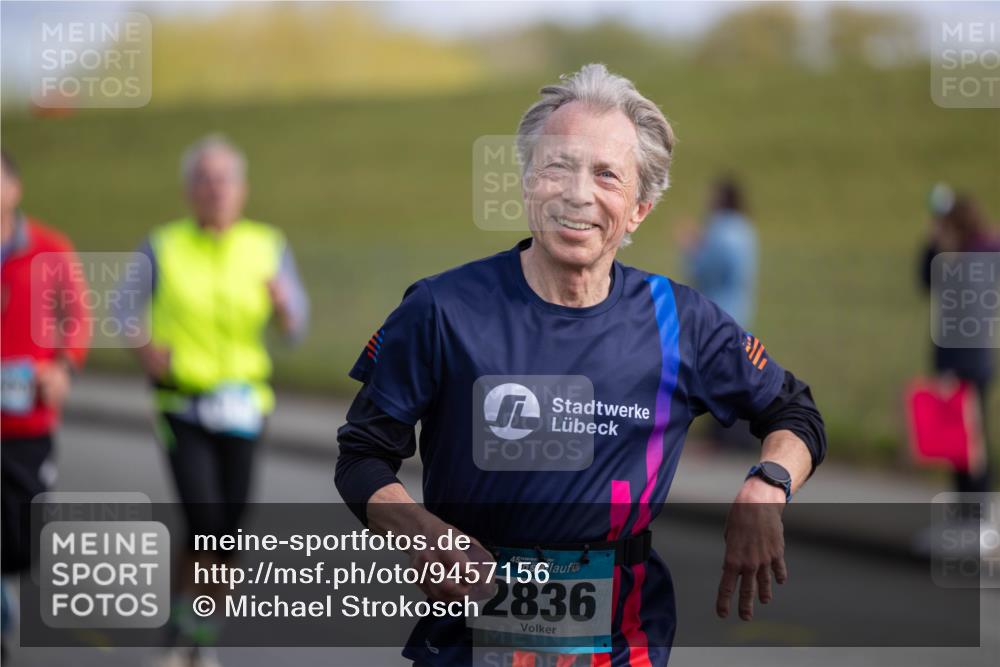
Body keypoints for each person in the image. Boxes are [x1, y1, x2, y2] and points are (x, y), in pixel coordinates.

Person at [336, 64, 826, 666]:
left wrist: (767, 486)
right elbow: (362, 455)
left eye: (606, 175)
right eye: (558, 167)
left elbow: (794, 413)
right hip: (469, 641)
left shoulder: (680, 320)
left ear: (640, 207)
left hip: (622, 644)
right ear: (526, 182)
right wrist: (420, 531)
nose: (578, 194)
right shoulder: (442, 309)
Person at [116, 135, 309, 667]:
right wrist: (143, 346)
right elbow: (123, 310)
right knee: (205, 520)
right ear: (188, 190)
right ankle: (183, 642)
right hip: (183, 403)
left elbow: (296, 326)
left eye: (224, 180)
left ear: (242, 190)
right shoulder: (162, 245)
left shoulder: (268, 244)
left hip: (245, 405)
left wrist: (285, 308)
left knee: (227, 531)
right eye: (204, 180)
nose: (215, 190)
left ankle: (198, 635)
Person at [1, 150, 90, 656]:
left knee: (22, 539)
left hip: (27, 415)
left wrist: (64, 368)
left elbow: (76, 318)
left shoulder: (49, 250)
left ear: (15, 189)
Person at [919, 187, 999, 496]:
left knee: (967, 445)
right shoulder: (984, 253)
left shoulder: (964, 260)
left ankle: (975, 517)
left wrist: (936, 246)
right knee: (962, 443)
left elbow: (929, 280)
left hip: (962, 361)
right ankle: (971, 516)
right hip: (974, 359)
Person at [678, 176, 757, 327]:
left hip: (714, 313)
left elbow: (702, 272)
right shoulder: (746, 228)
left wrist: (691, 248)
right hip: (740, 309)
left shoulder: (718, 229)